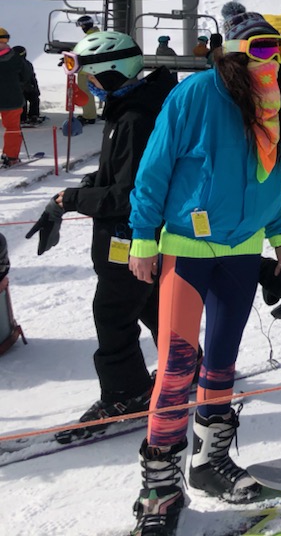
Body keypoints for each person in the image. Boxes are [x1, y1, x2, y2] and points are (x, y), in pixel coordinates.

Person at [125, 11, 281, 534]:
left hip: (243, 252)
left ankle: (209, 464)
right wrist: (142, 238)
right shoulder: (196, 92)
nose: (266, 60)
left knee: (222, 362)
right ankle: (159, 487)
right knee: (178, 365)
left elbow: (272, 178)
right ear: (233, 52)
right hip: (186, 246)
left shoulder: (276, 102)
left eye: (276, 49)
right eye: (255, 49)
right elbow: (155, 167)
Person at [25, 32, 176, 440]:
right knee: (150, 305)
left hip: (128, 238)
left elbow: (129, 195)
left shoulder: (136, 119)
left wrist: (73, 198)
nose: (88, 87)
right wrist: (83, 187)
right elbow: (120, 174)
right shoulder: (130, 109)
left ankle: (126, 392)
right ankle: (183, 367)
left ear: (112, 74)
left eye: (91, 78)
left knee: (113, 313)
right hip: (133, 236)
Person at [0, 28, 31, 167]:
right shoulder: (16, 58)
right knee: (12, 128)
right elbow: (26, 75)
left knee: (12, 127)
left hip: (11, 97)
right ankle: (11, 156)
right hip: (12, 98)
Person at [76, 15, 100, 124]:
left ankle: (89, 116)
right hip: (90, 68)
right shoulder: (95, 34)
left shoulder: (91, 37)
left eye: (81, 26)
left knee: (85, 91)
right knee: (88, 91)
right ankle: (90, 113)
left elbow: (84, 51)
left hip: (86, 69)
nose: (81, 28)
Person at [11, 45, 42, 126]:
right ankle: (31, 116)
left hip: (22, 88)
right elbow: (32, 77)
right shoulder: (27, 63)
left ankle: (24, 117)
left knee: (25, 101)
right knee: (32, 100)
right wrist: (35, 88)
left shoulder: (12, 64)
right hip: (24, 88)